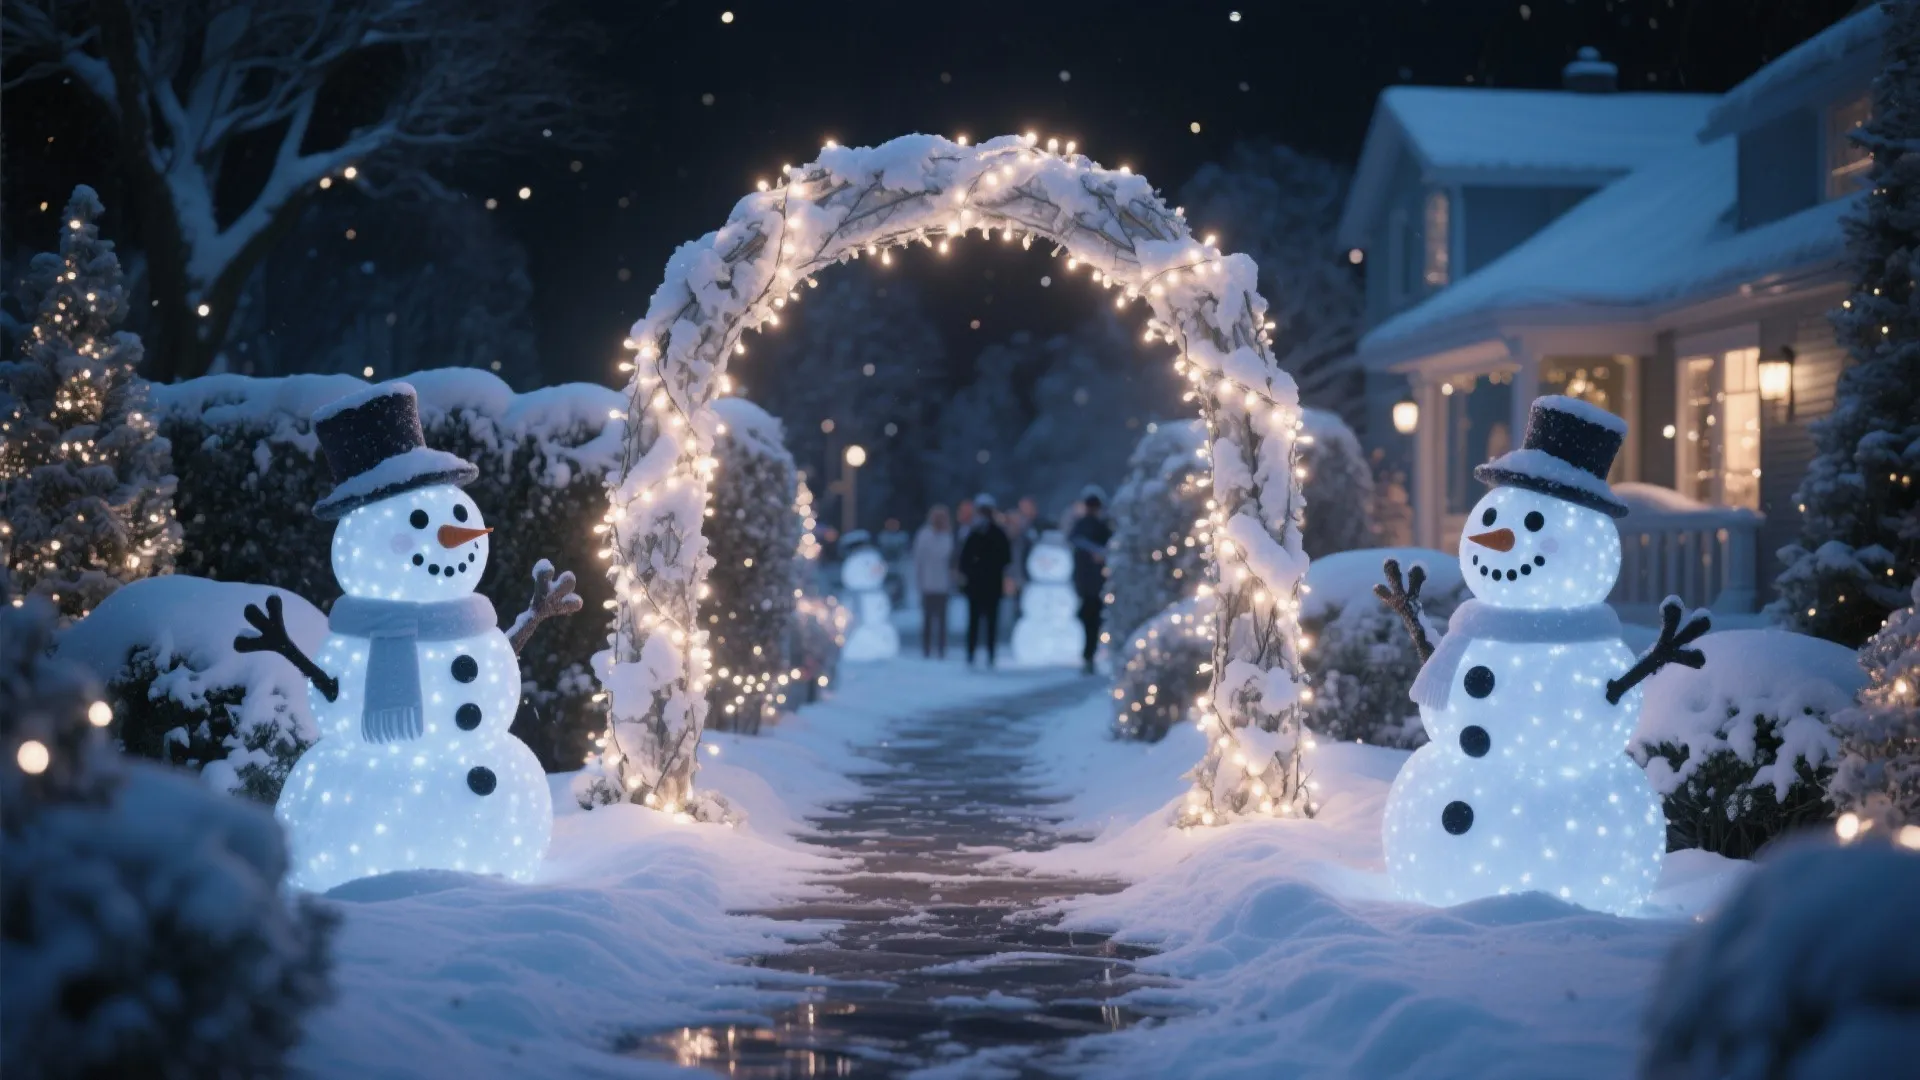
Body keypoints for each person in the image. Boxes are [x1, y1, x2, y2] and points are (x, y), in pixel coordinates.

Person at [958, 493, 1013, 668]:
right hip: (980, 584)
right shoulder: (973, 533)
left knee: (988, 623)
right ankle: (973, 653)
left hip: (989, 584)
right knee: (976, 622)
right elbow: (964, 560)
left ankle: (988, 654)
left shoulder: (995, 534)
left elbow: (1006, 558)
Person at [1068, 485, 1114, 675]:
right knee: (1091, 621)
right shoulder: (1090, 527)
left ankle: (1089, 655)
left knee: (1091, 621)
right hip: (1091, 583)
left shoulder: (1093, 527)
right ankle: (1089, 655)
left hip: (1092, 583)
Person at [911, 505, 955, 659]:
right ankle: (927, 649)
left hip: (942, 585)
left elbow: (949, 560)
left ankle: (941, 650)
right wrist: (919, 582)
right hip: (928, 585)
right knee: (928, 621)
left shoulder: (947, 536)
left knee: (942, 621)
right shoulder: (924, 535)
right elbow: (918, 561)